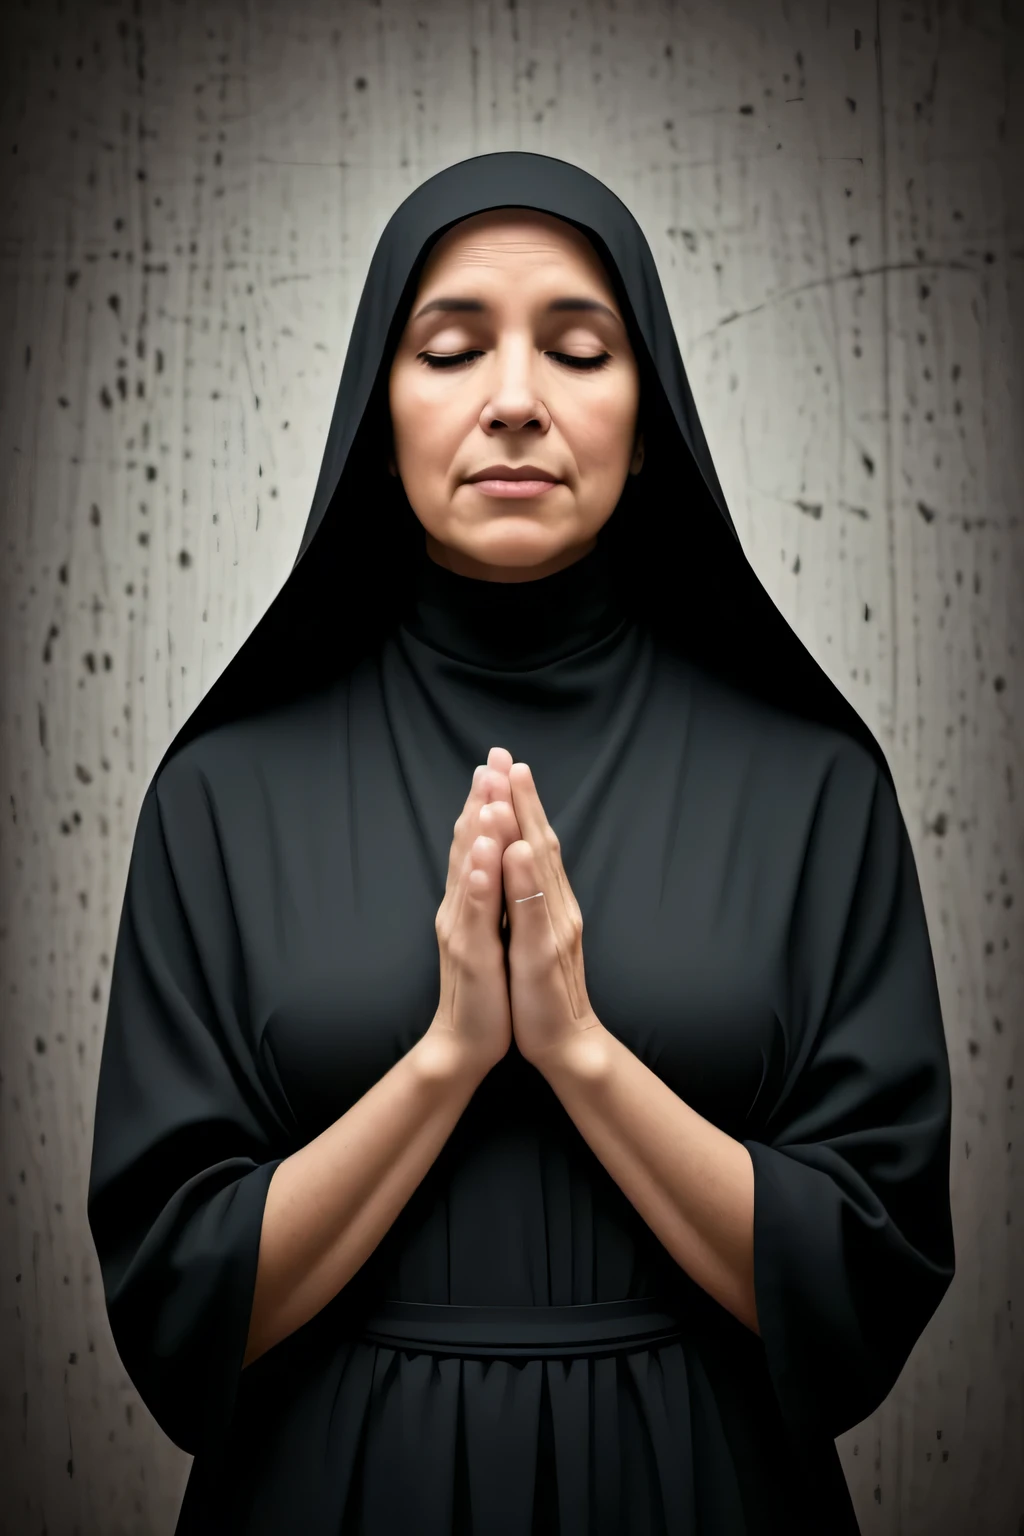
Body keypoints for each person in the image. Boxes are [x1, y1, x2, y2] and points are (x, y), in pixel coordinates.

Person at [86, 152, 955, 1535]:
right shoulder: (220, 794)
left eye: (578, 349)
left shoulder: (815, 787)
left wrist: (578, 1052)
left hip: (708, 1489)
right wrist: (446, 1059)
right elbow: (173, 1305)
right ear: (379, 415)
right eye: (448, 349)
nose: (512, 401)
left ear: (650, 412)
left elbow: (870, 1282)